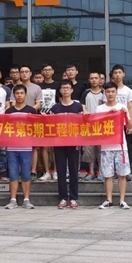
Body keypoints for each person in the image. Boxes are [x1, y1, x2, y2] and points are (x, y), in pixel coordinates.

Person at [97, 82, 132, 209]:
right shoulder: (100, 109)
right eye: (108, 92)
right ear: (104, 93)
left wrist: (124, 114)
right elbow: (96, 126)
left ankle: (122, 200)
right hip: (106, 147)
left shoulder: (122, 107)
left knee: (122, 174)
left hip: (121, 146)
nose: (110, 94)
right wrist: (108, 115)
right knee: (108, 175)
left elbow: (128, 127)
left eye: (112, 91)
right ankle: (109, 200)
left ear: (116, 92)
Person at [50, 80, 84, 209]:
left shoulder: (78, 107)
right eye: (63, 88)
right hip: (59, 142)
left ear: (72, 90)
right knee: (61, 170)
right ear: (60, 90)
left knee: (74, 170)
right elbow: (50, 125)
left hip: (74, 141)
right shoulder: (55, 108)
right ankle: (63, 197)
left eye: (68, 88)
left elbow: (83, 124)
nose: (65, 90)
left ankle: (73, 197)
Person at [5, 85, 37, 210]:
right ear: (14, 95)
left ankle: (26, 200)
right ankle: (13, 200)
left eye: (21, 93)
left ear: (25, 95)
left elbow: (36, 127)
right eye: (17, 93)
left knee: (26, 174)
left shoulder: (31, 110)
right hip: (11, 147)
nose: (19, 95)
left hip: (26, 147)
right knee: (13, 174)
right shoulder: (9, 112)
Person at [34, 63, 59, 181]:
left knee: (56, 146)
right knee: (44, 146)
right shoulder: (38, 87)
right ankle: (47, 171)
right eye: (45, 70)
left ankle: (56, 171)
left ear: (53, 71)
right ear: (42, 72)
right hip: (41, 119)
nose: (47, 72)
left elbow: (60, 100)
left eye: (49, 70)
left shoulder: (58, 85)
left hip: (55, 119)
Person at [81, 72, 105, 181]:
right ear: (89, 80)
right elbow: (82, 106)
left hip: (101, 126)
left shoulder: (104, 93)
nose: (94, 80)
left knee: (101, 150)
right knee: (89, 150)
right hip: (88, 126)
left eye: (96, 78)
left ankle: (100, 171)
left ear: (100, 80)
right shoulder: (86, 93)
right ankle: (91, 171)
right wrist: (85, 111)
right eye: (92, 78)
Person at [111, 65, 132, 173]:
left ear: (123, 74)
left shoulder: (128, 91)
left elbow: (130, 108)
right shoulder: (109, 90)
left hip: (124, 124)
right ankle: (114, 171)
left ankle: (126, 172)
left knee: (126, 148)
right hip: (112, 124)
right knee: (112, 148)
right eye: (115, 73)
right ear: (112, 75)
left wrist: (130, 124)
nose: (117, 75)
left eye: (119, 72)